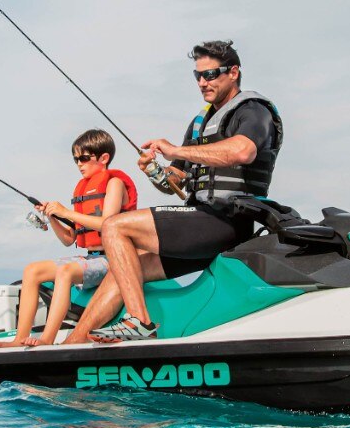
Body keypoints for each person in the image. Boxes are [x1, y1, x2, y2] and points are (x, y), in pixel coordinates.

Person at [61, 40, 283, 343]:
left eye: (210, 74)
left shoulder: (253, 110)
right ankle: (71, 346)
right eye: (198, 76)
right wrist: (156, 172)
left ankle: (139, 322)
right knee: (125, 269)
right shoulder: (200, 124)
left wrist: (175, 149)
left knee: (114, 226)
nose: (202, 82)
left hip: (227, 222)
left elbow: (243, 151)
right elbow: (174, 181)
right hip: (199, 223)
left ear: (233, 73)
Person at [0, 129, 138, 348]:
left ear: (104, 158)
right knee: (32, 270)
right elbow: (69, 239)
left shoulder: (114, 183)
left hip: (113, 259)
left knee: (65, 271)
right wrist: (53, 217)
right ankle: (19, 339)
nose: (79, 164)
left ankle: (46, 340)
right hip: (91, 257)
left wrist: (66, 212)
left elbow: (108, 224)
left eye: (84, 158)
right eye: (76, 159)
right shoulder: (83, 189)